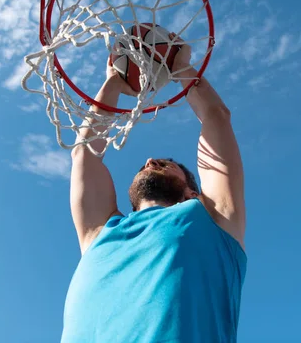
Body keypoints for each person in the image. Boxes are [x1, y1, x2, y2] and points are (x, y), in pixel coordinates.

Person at [61, 35, 246, 343]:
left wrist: (180, 68)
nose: (150, 160)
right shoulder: (99, 233)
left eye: (168, 163)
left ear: (192, 193)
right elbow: (84, 153)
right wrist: (114, 82)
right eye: (148, 163)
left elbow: (216, 117)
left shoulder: (214, 219)